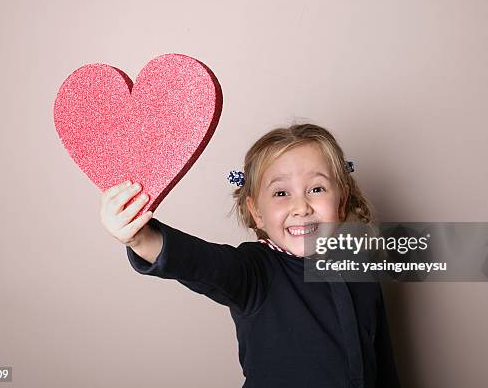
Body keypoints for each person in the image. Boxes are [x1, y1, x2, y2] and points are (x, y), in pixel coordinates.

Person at [100, 123, 400, 388]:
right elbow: (203, 264)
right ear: (256, 211)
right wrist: (141, 238)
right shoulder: (256, 271)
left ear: (342, 198)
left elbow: (382, 361)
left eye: (317, 188)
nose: (301, 207)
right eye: (281, 193)